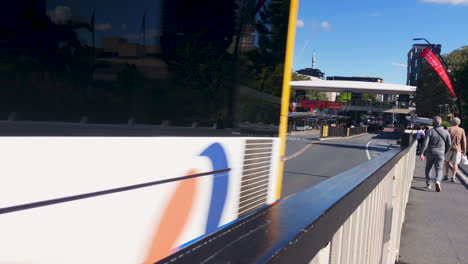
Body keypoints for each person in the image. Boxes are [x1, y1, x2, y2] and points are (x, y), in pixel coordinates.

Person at [420, 116, 451, 192]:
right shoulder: (446, 132)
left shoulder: (430, 131)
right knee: (439, 169)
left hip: (430, 152)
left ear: (433, 122)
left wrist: (422, 153)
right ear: (441, 123)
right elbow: (449, 144)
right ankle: (437, 181)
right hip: (441, 153)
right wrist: (445, 152)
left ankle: (428, 184)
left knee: (428, 168)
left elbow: (425, 143)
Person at [444, 117, 466, 182]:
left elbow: (445, 139)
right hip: (458, 149)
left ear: (452, 122)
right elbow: (464, 141)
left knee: (446, 161)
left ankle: (446, 175)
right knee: (455, 163)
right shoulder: (461, 130)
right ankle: (453, 176)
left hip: (449, 148)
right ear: (459, 123)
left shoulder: (449, 129)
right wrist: (464, 150)